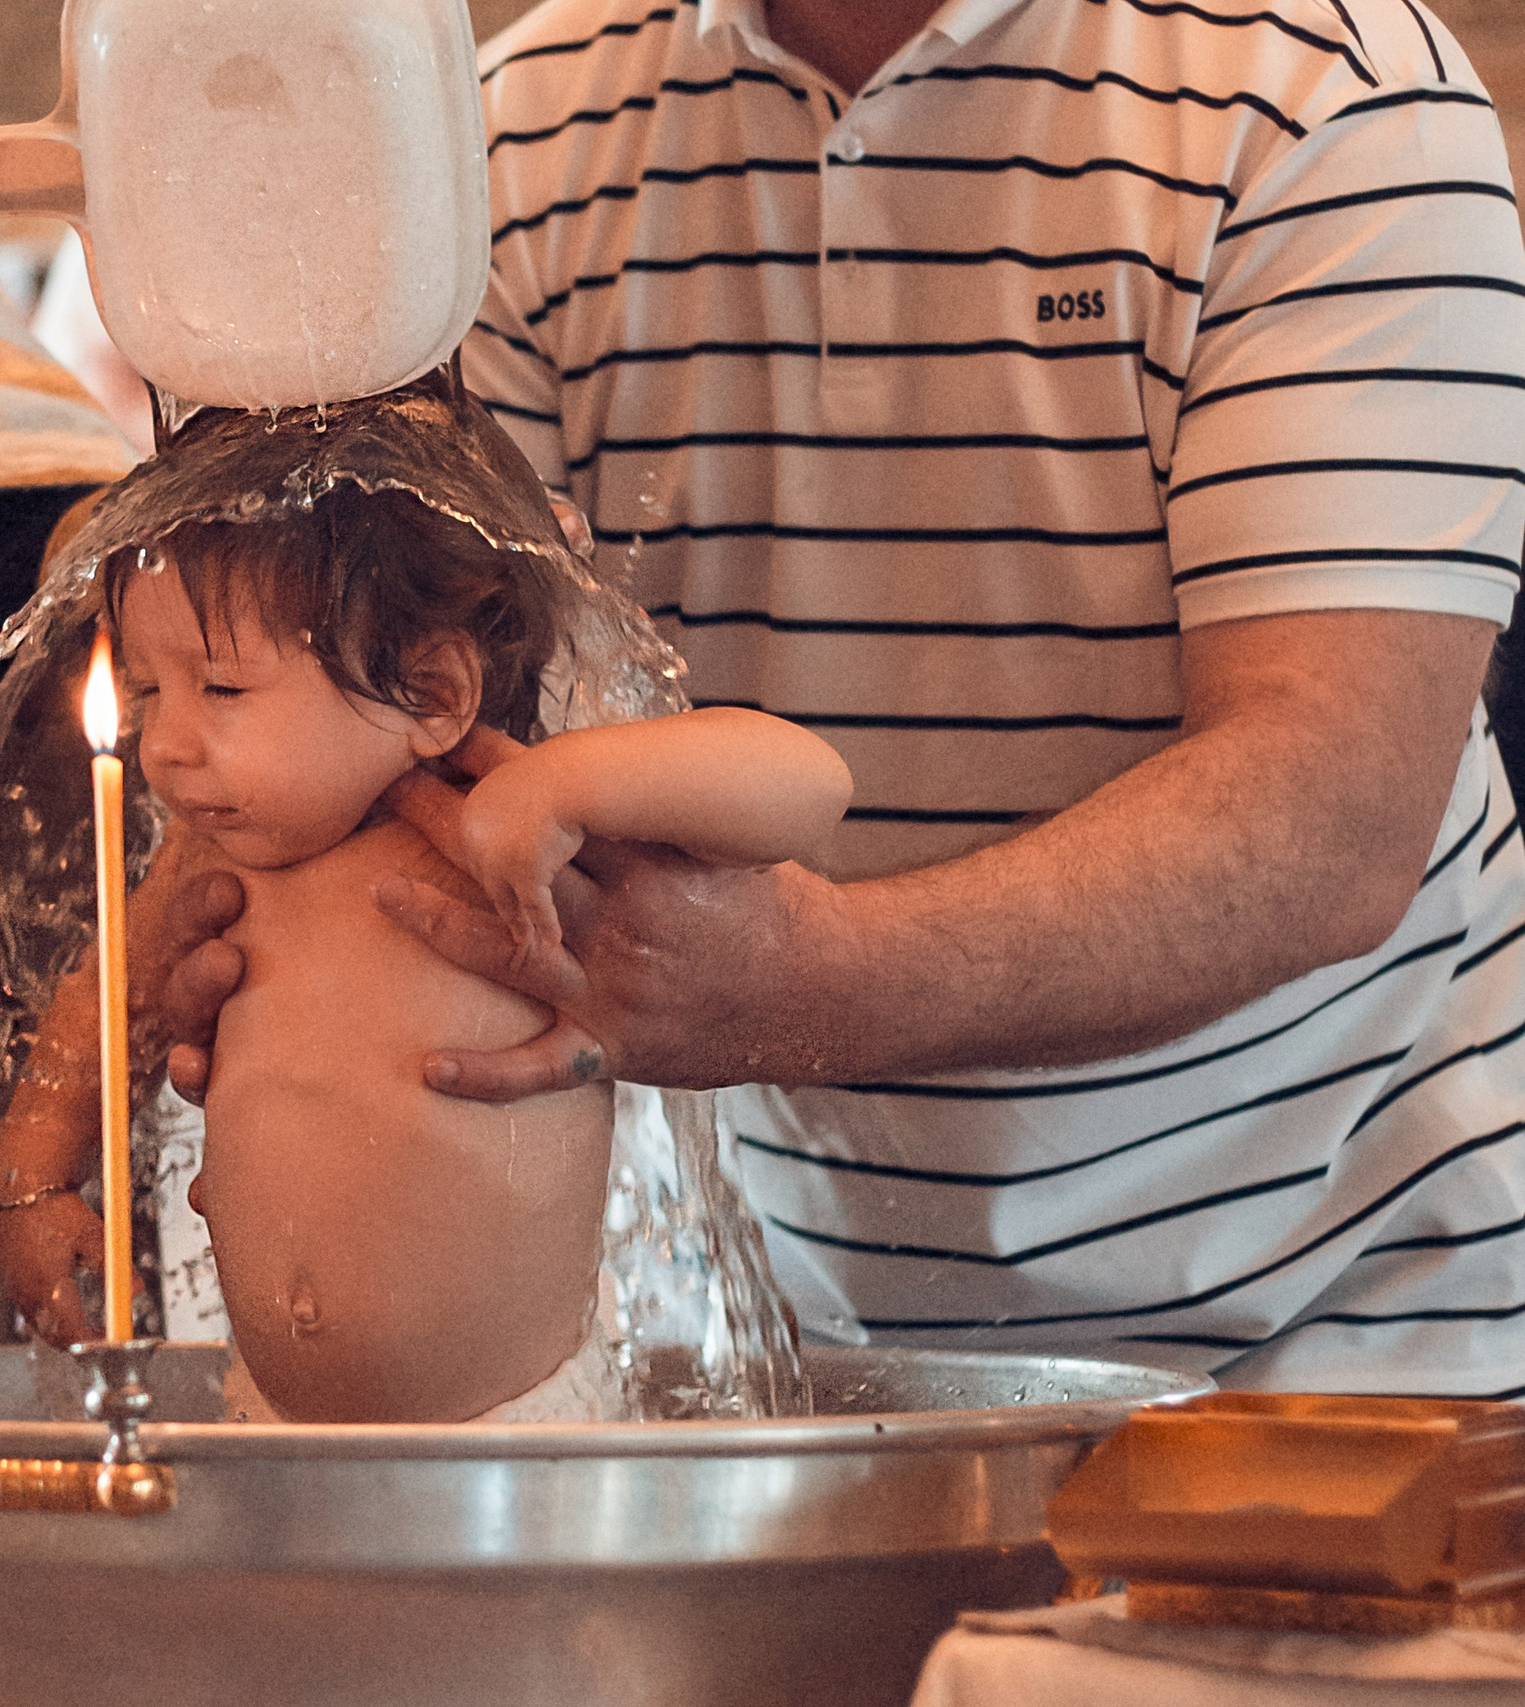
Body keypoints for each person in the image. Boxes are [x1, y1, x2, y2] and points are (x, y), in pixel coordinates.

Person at [320, 0, 1525, 1398]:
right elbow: (416, 717)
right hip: (786, 1342)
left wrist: (821, 986)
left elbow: (1331, 816)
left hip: (1350, 1337)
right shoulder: (512, 135)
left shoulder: (1329, 99)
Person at [0, 389, 848, 1422]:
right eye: (147, 691)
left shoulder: (522, 823)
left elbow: (807, 786)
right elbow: (104, 1001)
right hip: (263, 1410)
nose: (165, 744)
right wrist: (32, 1181)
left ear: (434, 693)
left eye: (220, 690)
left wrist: (567, 789)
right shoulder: (213, 855)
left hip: (519, 1433)